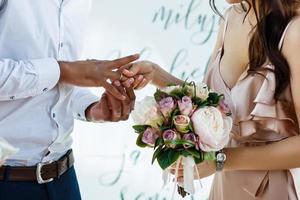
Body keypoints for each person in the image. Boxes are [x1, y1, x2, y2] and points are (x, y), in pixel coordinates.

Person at [120, 0, 300, 199]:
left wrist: (220, 161)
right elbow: (212, 105)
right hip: (224, 187)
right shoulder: (231, 18)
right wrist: (155, 74)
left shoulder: (294, 31)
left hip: (272, 190)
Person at [0, 0, 140, 199]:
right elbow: (59, 71)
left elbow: (56, 79)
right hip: (6, 182)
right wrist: (62, 70)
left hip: (64, 180)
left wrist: (91, 108)